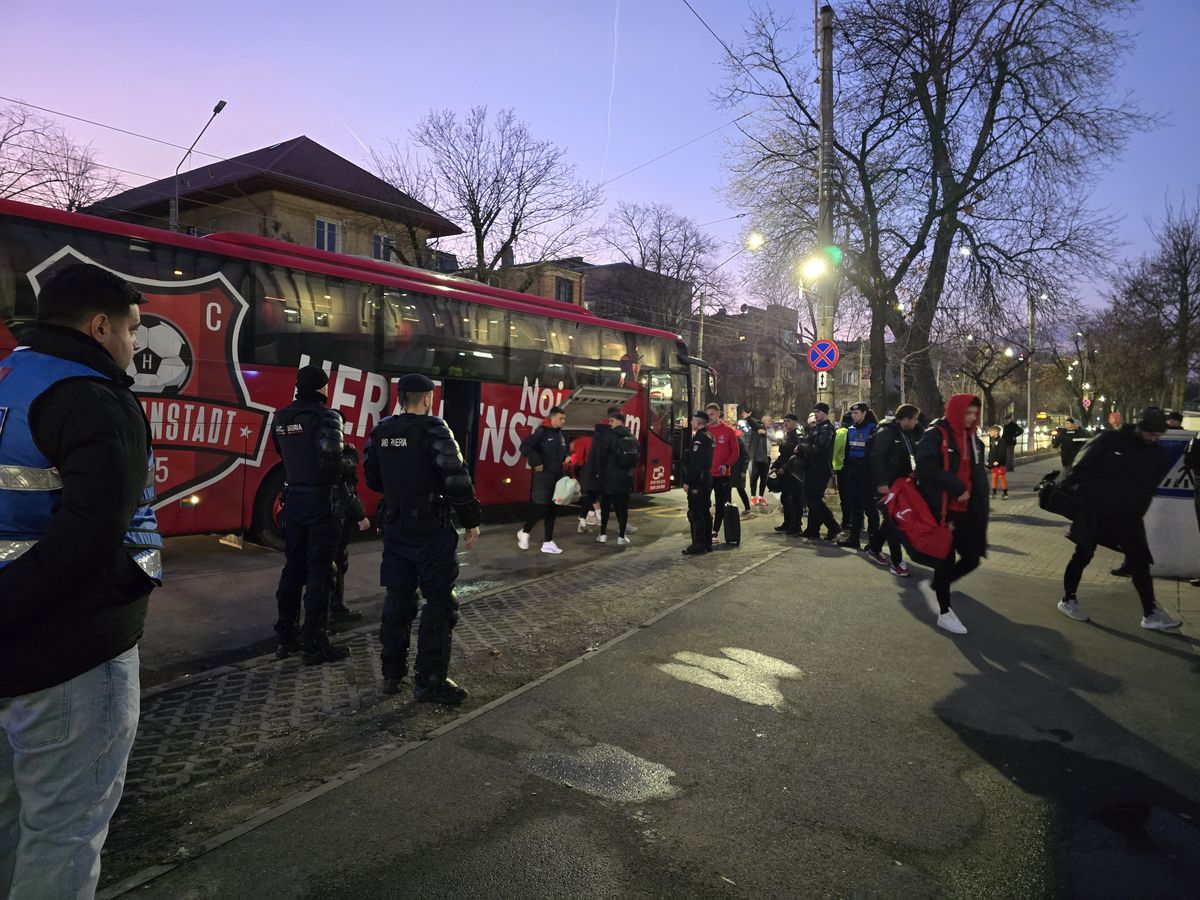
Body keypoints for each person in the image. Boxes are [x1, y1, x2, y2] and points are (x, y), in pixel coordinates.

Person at [0, 264, 162, 897]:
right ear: (100, 327)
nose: (133, 346)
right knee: (65, 830)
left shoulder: (11, 378)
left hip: (14, 651)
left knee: (10, 817)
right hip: (71, 655)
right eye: (131, 330)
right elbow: (90, 540)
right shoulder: (93, 396)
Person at [364, 373, 482, 704]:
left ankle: (391, 675)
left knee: (398, 599)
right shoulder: (435, 429)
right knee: (440, 603)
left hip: (395, 526)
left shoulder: (381, 430)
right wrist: (471, 520)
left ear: (401, 398)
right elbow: (457, 479)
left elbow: (372, 478)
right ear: (428, 398)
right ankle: (430, 680)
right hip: (431, 530)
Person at [1056, 407, 1182, 630]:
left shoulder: (1155, 451)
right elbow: (1084, 464)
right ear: (1140, 428)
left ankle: (1150, 612)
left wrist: (1139, 510)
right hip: (1095, 507)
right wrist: (1072, 488)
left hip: (1128, 514)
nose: (1154, 438)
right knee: (1084, 552)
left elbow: (1151, 484)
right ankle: (1068, 599)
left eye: (1158, 435)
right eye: (1151, 434)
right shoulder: (1112, 439)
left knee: (1140, 560)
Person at [273, 364, 352, 665]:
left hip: (293, 501)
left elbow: (282, 452)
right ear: (322, 387)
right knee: (320, 572)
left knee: (293, 569)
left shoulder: (281, 417)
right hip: (321, 504)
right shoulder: (327, 417)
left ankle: (286, 639)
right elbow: (331, 462)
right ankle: (315, 644)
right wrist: (350, 458)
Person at [916, 394, 990, 634]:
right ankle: (945, 611)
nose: (972, 418)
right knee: (945, 561)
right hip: (943, 510)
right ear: (957, 411)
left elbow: (977, 476)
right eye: (968, 412)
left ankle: (937, 585)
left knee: (972, 557)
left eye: (975, 413)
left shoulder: (974, 440)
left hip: (968, 512)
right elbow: (925, 470)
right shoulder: (936, 434)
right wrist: (957, 488)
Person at [867, 404, 921, 577]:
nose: (916, 422)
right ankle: (897, 563)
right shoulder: (888, 432)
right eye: (914, 419)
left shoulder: (905, 433)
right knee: (893, 523)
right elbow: (877, 457)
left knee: (890, 521)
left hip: (899, 485)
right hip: (886, 485)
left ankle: (875, 548)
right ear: (904, 419)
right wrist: (882, 483)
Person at [327, 444, 372, 628]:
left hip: (321, 515)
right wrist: (361, 516)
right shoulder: (338, 457)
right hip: (335, 518)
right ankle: (333, 610)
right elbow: (347, 491)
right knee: (334, 561)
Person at [517, 406, 569, 554]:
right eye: (560, 418)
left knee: (553, 509)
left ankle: (548, 542)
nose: (563, 421)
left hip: (557, 477)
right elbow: (525, 448)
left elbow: (563, 451)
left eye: (564, 419)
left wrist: (567, 457)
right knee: (542, 507)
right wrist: (537, 462)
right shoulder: (542, 431)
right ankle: (525, 531)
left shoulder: (560, 434)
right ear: (552, 418)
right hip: (544, 477)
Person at [836, 402, 879, 549]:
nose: (853, 416)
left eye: (857, 413)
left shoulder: (873, 429)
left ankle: (874, 541)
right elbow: (848, 454)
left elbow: (875, 456)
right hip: (853, 474)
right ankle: (854, 538)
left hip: (867, 475)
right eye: (852, 413)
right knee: (855, 507)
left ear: (864, 413)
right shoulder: (851, 430)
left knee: (870, 508)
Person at [594, 410, 637, 545]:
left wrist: (599, 472)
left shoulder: (609, 436)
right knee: (622, 509)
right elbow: (636, 458)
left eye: (612, 421)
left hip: (608, 478)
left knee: (606, 508)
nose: (610, 423)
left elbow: (600, 456)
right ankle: (622, 537)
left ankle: (603, 535)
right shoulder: (632, 437)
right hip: (624, 479)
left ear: (619, 421)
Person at [801, 403, 840, 541]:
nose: (816, 414)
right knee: (812, 499)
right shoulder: (817, 428)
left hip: (820, 468)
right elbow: (807, 442)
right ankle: (813, 529)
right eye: (815, 411)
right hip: (812, 467)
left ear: (825, 413)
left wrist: (803, 448)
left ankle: (833, 526)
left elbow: (819, 448)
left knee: (814, 500)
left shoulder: (827, 428)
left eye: (818, 411)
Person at [706, 403, 740, 545]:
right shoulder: (705, 430)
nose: (710, 417)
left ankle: (715, 531)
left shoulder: (728, 431)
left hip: (722, 475)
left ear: (718, 414)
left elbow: (735, 452)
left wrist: (726, 465)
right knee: (704, 503)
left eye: (712, 414)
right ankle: (705, 529)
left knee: (721, 504)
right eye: (708, 414)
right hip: (706, 474)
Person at [682, 411, 715, 555]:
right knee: (705, 512)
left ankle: (698, 544)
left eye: (693, 420)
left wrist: (687, 481)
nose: (691, 422)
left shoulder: (699, 439)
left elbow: (694, 463)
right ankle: (706, 543)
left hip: (698, 481)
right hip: (706, 479)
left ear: (700, 422)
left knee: (696, 512)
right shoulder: (708, 437)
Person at [771, 413, 806, 535]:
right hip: (786, 471)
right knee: (786, 498)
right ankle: (788, 522)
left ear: (795, 422)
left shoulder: (797, 436)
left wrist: (784, 468)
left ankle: (796, 524)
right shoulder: (788, 434)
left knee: (794, 499)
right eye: (784, 421)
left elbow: (796, 455)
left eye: (788, 421)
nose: (786, 423)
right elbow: (784, 453)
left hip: (794, 472)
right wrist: (776, 464)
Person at [746, 413, 772, 506]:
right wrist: (748, 418)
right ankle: (753, 497)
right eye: (769, 420)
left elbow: (776, 438)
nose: (770, 422)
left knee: (764, 478)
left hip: (766, 458)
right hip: (756, 458)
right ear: (763, 421)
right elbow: (754, 424)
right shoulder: (757, 428)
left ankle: (760, 497)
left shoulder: (768, 430)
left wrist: (766, 433)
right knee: (754, 477)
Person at [832, 413, 851, 533]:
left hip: (841, 468)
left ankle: (846, 520)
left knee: (844, 497)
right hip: (853, 468)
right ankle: (857, 521)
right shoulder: (856, 432)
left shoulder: (840, 433)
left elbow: (835, 450)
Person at [987, 425, 1008, 499]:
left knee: (1001, 477)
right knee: (994, 477)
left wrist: (998, 461)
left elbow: (1002, 452)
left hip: (1000, 464)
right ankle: (994, 492)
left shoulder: (1001, 440)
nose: (989, 433)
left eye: (991, 431)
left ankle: (1005, 493)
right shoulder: (992, 440)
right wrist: (989, 461)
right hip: (993, 464)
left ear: (996, 432)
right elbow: (991, 452)